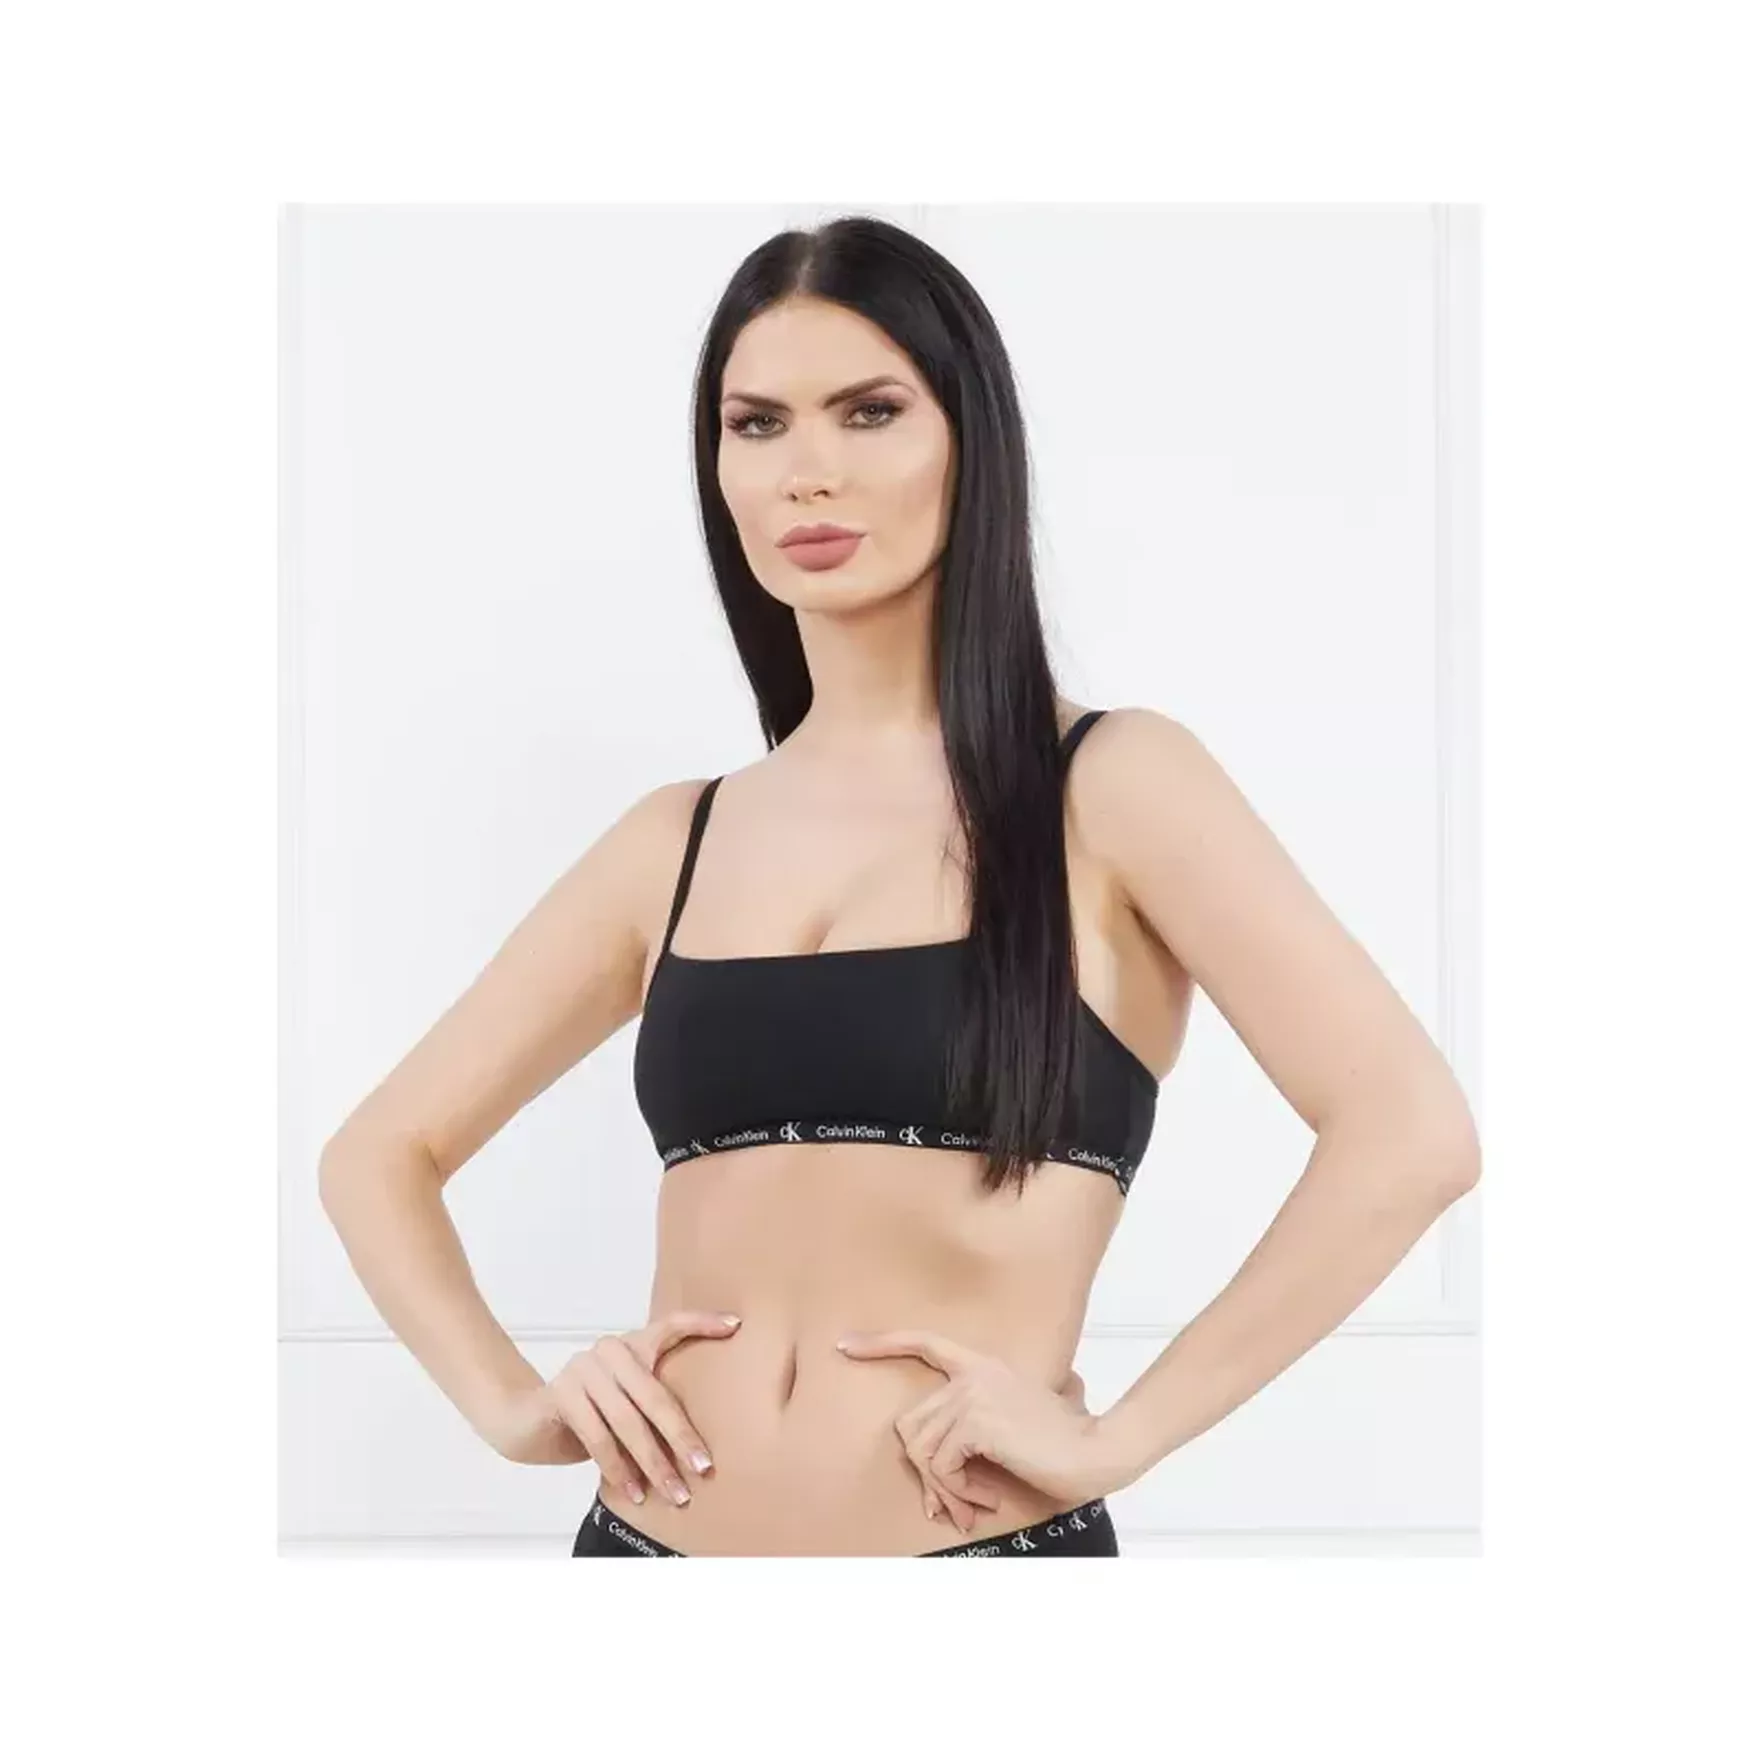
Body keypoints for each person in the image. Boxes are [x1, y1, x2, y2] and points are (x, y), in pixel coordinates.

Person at [318, 215, 1481, 1558]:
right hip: (641, 1557)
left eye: (869, 412)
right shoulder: (675, 839)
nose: (807, 471)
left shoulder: (1112, 785)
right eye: (757, 425)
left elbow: (1411, 1133)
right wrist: (513, 1407)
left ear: (970, 441)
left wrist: (1123, 1437)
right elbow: (377, 1156)